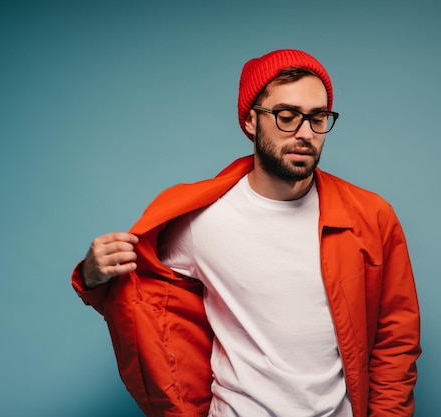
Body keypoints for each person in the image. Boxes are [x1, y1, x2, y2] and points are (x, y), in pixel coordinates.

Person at [71, 49, 421, 417]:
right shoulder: (198, 220)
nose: (305, 133)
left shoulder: (371, 217)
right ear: (251, 122)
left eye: (318, 118)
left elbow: (396, 339)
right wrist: (93, 277)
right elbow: (140, 298)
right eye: (287, 117)